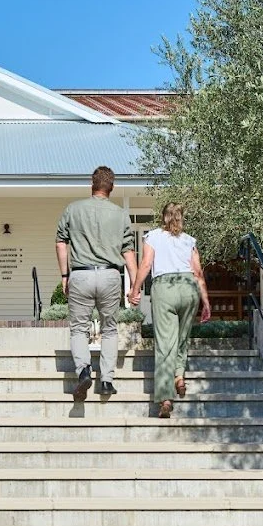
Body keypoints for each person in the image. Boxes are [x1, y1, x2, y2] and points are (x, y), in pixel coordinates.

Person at [55, 166, 138, 399]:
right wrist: (135, 285)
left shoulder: (73, 209)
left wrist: (65, 275)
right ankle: (107, 381)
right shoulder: (120, 214)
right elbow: (128, 251)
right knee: (109, 329)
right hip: (110, 275)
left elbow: (61, 242)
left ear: (92, 184)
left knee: (79, 328)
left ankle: (83, 371)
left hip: (81, 274)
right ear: (112, 188)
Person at [128, 203, 212, 418]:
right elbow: (198, 273)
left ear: (164, 217)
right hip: (189, 288)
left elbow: (146, 264)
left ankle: (166, 398)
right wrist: (206, 302)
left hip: (165, 288)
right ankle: (179, 376)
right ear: (181, 218)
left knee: (165, 344)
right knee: (182, 337)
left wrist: (135, 289)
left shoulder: (153, 236)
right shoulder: (189, 241)